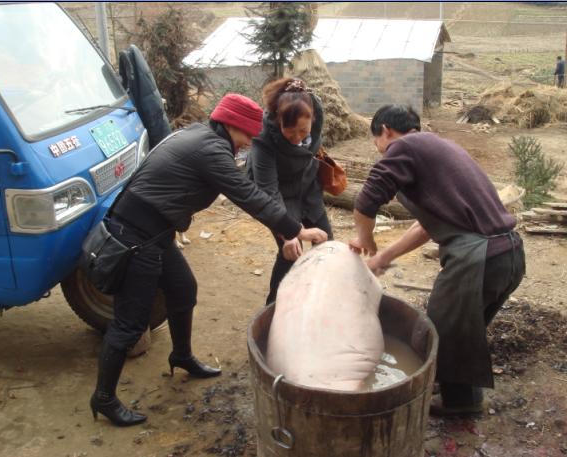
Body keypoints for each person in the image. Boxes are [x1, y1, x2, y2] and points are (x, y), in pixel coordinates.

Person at [90, 93, 328, 427]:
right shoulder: (211, 150)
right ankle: (103, 398)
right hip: (136, 237)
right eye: (247, 134)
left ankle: (182, 355)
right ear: (232, 125)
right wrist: (297, 230)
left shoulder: (202, 136)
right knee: (129, 324)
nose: (250, 142)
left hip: (156, 233)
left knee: (183, 290)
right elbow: (248, 195)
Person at [349, 105, 525, 416]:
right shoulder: (438, 149)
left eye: (377, 142)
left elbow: (367, 198)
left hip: (478, 259)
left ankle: (461, 404)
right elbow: (428, 226)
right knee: (464, 329)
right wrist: (384, 257)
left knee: (443, 327)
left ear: (386, 130)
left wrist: (365, 239)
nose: (380, 150)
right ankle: (450, 383)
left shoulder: (405, 145)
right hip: (509, 255)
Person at [247, 78, 333, 305]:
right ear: (278, 120)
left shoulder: (316, 120)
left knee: (325, 242)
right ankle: (274, 308)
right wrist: (287, 234)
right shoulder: (263, 140)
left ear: (313, 119)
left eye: (303, 131)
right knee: (291, 253)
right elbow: (268, 190)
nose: (297, 138)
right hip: (279, 195)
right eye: (289, 131)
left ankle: (316, 299)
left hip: (307, 188)